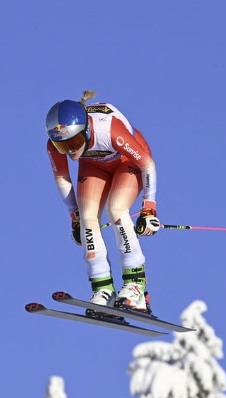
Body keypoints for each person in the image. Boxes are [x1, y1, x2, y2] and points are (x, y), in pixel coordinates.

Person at [45, 91, 160, 314]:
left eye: (75, 141)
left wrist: (149, 208)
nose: (70, 150)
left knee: (116, 209)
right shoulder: (54, 142)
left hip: (127, 161)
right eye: (63, 146)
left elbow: (147, 164)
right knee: (87, 219)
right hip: (93, 165)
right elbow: (62, 178)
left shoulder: (108, 130)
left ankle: (135, 287)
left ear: (86, 130)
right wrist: (74, 217)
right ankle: (103, 290)